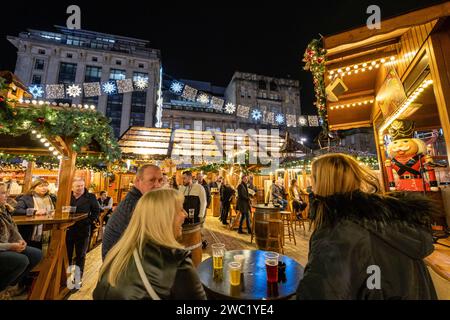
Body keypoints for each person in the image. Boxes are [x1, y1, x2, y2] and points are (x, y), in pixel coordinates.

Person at [296, 153, 438, 300]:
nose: (310, 185)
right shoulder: (393, 219)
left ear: (322, 182)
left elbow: (320, 292)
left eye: (312, 178)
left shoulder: (337, 234)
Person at [93, 189, 206, 300]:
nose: (185, 214)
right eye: (181, 209)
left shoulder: (117, 253)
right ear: (165, 217)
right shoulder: (176, 262)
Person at [102, 164, 163, 260]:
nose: (158, 185)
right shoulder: (137, 205)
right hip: (119, 267)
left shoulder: (139, 199)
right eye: (152, 180)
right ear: (137, 181)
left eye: (160, 180)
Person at [0, 182, 42, 299]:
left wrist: (20, 240)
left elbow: (13, 229)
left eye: (6, 192)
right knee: (21, 260)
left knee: (36, 255)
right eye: (3, 193)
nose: (7, 195)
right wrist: (10, 246)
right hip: (3, 248)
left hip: (6, 246)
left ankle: (8, 285)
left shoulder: (4, 209)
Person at [66, 178, 100, 285]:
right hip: (67, 229)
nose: (80, 188)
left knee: (80, 255)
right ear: (72, 187)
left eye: (82, 185)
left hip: (83, 229)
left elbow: (96, 211)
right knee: (67, 254)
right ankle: (66, 278)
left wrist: (88, 222)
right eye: (77, 186)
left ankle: (77, 279)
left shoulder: (90, 197)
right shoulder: (68, 196)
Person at [14, 179, 56, 246]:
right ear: (33, 188)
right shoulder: (26, 197)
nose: (44, 188)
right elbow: (16, 210)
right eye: (40, 186)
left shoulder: (52, 197)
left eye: (45, 186)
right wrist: (34, 212)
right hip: (31, 229)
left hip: (50, 228)